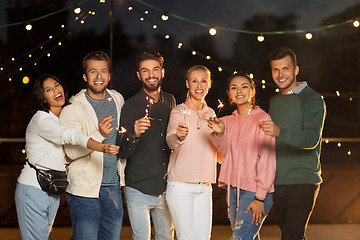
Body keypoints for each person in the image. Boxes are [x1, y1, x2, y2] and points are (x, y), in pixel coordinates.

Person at [15, 74, 119, 240]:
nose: (56, 90)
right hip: (34, 188)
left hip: (53, 188)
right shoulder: (41, 119)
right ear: (42, 98)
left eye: (57, 85)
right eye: (48, 90)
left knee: (44, 235)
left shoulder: (60, 119)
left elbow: (65, 156)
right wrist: (101, 146)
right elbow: (70, 135)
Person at [258, 47, 326, 240]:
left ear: (296, 70)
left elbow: (312, 138)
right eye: (275, 70)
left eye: (286, 69)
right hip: (278, 182)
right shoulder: (274, 101)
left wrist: (280, 131)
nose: (280, 75)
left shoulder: (312, 99)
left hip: (303, 181)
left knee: (290, 237)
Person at [59, 51, 125, 240]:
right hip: (84, 190)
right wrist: (99, 135)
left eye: (103, 71)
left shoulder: (118, 100)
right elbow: (70, 152)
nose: (99, 77)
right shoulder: (72, 108)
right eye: (93, 72)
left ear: (109, 75)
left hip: (113, 187)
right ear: (85, 76)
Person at [208, 72, 276, 240]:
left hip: (256, 192)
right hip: (232, 190)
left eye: (244, 86)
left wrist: (260, 198)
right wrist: (221, 133)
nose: (239, 91)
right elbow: (224, 153)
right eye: (234, 87)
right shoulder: (226, 121)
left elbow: (268, 161)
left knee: (239, 237)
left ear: (252, 91)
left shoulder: (263, 119)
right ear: (229, 94)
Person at [118, 50, 175, 240]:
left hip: (166, 187)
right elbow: (123, 151)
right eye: (145, 70)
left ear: (163, 72)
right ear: (138, 75)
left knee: (166, 237)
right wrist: (133, 133)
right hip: (138, 187)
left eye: (155, 69)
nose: (151, 74)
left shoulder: (170, 101)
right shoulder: (131, 105)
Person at [166, 65, 218, 240]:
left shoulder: (211, 113)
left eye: (204, 81)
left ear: (209, 84)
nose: (199, 85)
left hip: (204, 187)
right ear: (187, 83)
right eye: (194, 81)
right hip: (180, 186)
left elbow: (217, 148)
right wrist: (178, 136)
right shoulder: (179, 111)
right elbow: (170, 139)